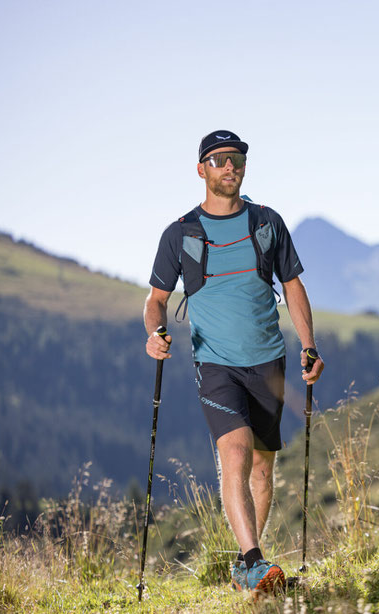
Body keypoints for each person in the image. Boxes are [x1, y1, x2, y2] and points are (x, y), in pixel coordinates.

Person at [144, 130, 324, 596]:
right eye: (220, 159)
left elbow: (294, 286)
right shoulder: (181, 233)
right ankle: (253, 560)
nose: (230, 166)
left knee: (263, 469)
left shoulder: (266, 222)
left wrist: (309, 344)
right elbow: (156, 299)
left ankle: (251, 573)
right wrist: (155, 333)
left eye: (237, 159)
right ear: (201, 168)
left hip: (269, 360)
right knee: (236, 455)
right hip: (216, 365)